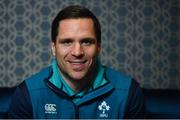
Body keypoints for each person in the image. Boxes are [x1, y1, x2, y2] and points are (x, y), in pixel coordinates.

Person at [8, 5, 145, 119]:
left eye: (86, 41)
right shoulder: (27, 94)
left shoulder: (129, 93)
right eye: (67, 42)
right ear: (54, 48)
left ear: (98, 47)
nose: (77, 52)